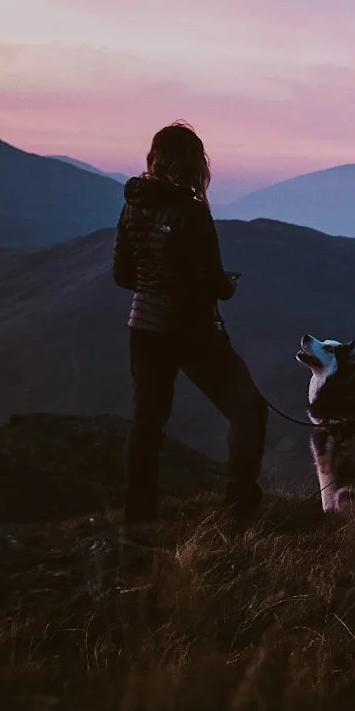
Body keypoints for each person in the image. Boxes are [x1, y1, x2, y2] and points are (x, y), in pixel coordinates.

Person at [112, 121, 267, 526]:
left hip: (144, 325)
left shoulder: (133, 204)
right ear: (195, 162)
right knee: (248, 410)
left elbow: (123, 274)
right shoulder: (191, 210)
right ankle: (239, 505)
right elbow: (213, 280)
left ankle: (138, 517)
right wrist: (226, 285)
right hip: (192, 330)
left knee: (148, 421)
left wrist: (157, 282)